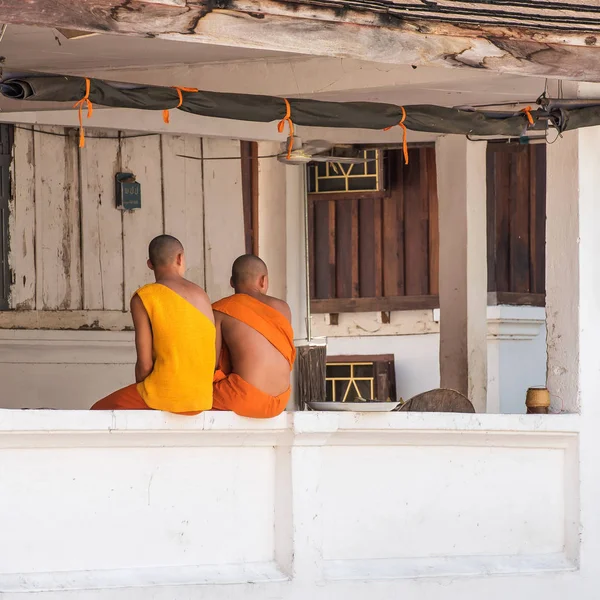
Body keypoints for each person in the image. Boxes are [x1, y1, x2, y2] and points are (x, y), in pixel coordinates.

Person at [91, 235, 215, 414]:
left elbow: (145, 364)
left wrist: (142, 392)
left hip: (165, 394)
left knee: (97, 411)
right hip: (201, 398)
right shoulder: (202, 295)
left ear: (150, 264)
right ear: (180, 258)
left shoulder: (145, 297)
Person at [212, 254, 296, 418]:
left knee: (189, 396)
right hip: (280, 401)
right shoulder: (283, 308)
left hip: (243, 398)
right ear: (263, 281)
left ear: (232, 282)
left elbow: (211, 363)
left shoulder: (220, 310)